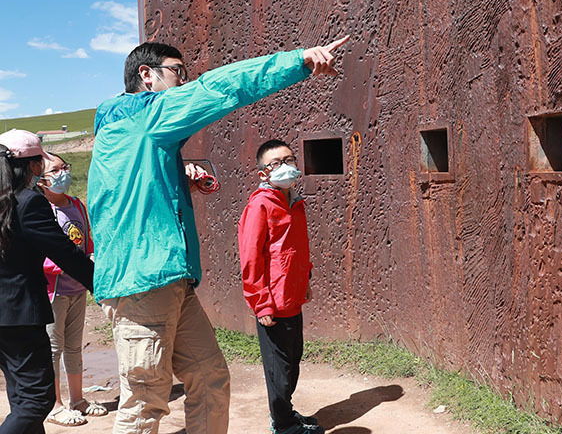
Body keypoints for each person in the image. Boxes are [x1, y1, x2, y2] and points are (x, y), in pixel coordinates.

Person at [87, 37, 348, 434]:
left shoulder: (135, 135)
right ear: (147, 76)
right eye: (178, 73)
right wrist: (299, 60)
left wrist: (178, 178)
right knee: (145, 400)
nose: (184, 83)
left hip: (169, 281)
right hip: (142, 283)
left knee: (210, 378)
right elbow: (220, 88)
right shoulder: (142, 116)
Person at [0, 130, 94, 433]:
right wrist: (101, 284)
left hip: (5, 319)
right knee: (38, 399)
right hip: (21, 316)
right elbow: (64, 252)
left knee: (20, 396)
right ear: (35, 166)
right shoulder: (29, 203)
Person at [238, 140, 322, 434]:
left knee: (292, 360)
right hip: (272, 301)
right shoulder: (260, 205)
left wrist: (306, 280)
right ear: (263, 173)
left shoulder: (294, 202)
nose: (285, 166)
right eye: (276, 163)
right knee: (279, 369)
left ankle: (285, 413)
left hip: (292, 296)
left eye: (289, 159)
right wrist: (261, 302)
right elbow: (250, 258)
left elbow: (297, 248)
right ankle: (283, 425)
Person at [38, 152, 107, 426]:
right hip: (53, 291)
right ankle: (55, 405)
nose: (62, 173)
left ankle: (77, 399)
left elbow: (86, 239)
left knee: (74, 347)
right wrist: (63, 266)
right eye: (55, 170)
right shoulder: (42, 210)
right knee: (53, 349)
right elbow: (40, 252)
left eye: (64, 167)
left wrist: (89, 258)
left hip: (77, 288)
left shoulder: (77, 204)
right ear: (41, 180)